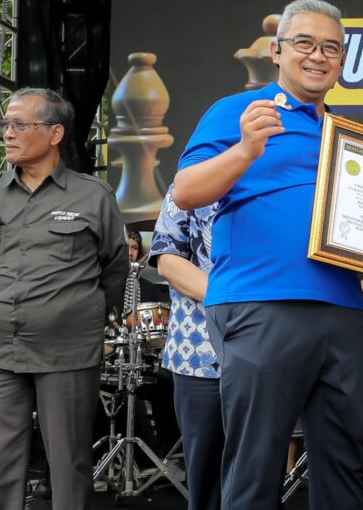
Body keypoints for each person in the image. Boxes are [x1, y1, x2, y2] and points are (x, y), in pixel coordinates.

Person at [171, 0, 363, 509]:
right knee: (255, 466)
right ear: (277, 50)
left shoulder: (350, 137)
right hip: (260, 304)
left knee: (343, 465)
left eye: (331, 48)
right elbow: (185, 193)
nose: (318, 56)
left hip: (343, 310)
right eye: (305, 43)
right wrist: (245, 150)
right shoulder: (239, 112)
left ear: (342, 61)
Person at [0, 87, 129, 509]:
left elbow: (115, 267)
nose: (7, 133)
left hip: (68, 351)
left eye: (20, 124)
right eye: (6, 124)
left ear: (55, 133)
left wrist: (84, 317)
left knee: (68, 465)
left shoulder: (92, 196)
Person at [149, 185, 221, 510]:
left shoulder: (277, 180)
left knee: (260, 477)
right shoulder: (190, 183)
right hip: (199, 354)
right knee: (206, 481)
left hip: (266, 352)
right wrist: (235, 299)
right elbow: (167, 262)